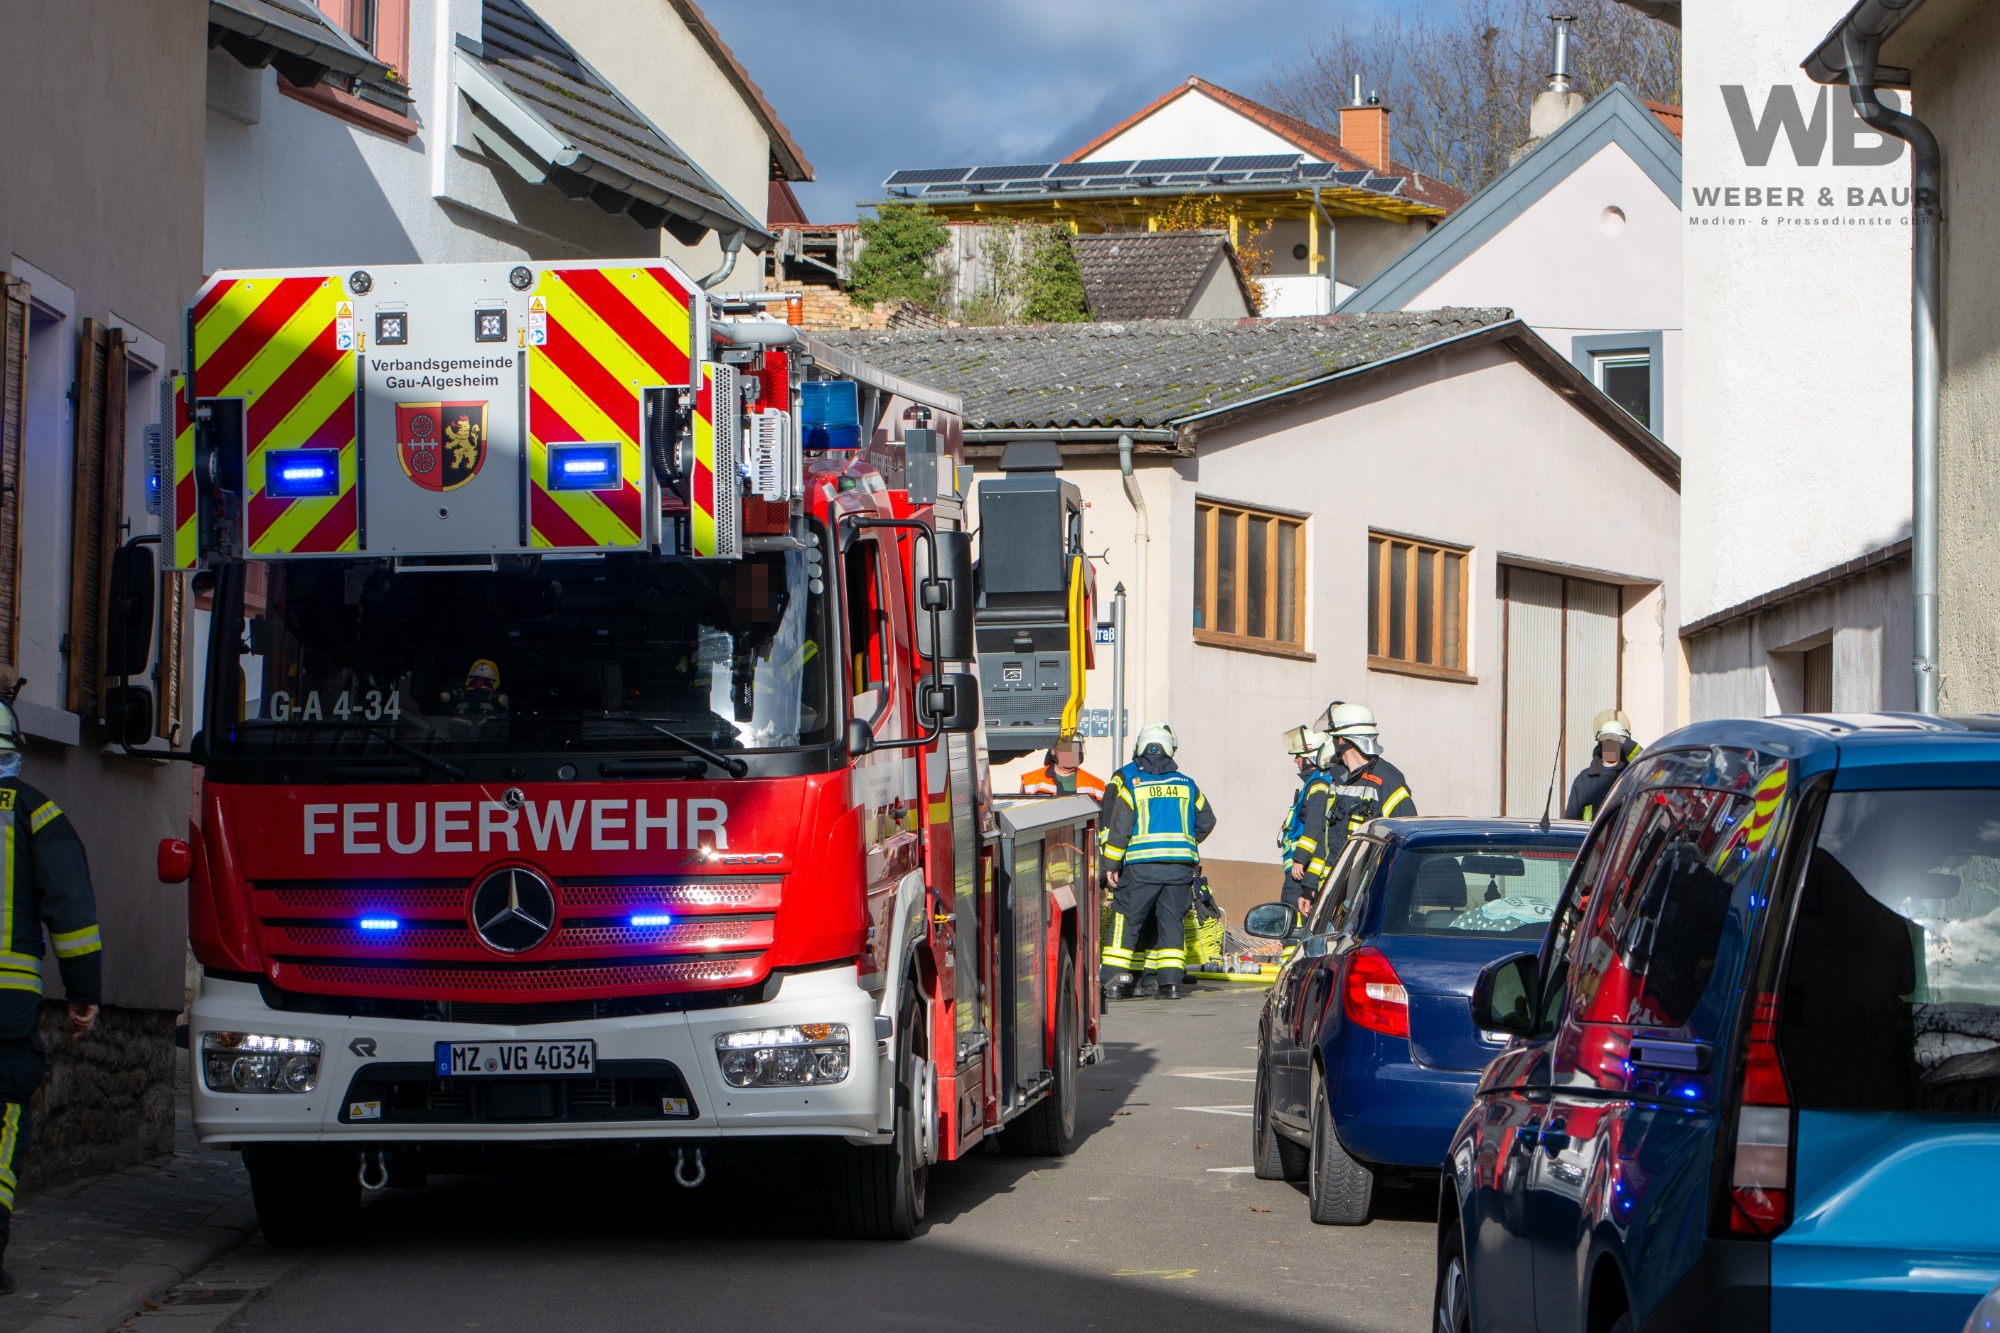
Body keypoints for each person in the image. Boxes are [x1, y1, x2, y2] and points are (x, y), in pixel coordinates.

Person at [0, 693, 100, 1293]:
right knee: (5, 1115)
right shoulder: (38, 814)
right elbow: (73, 915)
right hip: (6, 1005)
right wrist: (83, 993)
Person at [1099, 723, 1215, 1001]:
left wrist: (1110, 865)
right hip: (1180, 869)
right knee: (1171, 922)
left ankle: (1113, 982)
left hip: (1140, 869)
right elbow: (1207, 821)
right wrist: (1184, 841)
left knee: (1126, 921)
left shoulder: (1132, 786)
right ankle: (1170, 984)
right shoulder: (1187, 784)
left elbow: (1120, 830)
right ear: (1171, 749)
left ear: (1140, 748)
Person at [1289, 703, 1415, 914]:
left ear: (1342, 740)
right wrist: (1310, 887)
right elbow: (1324, 841)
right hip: (1332, 894)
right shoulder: (1338, 780)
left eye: (1333, 737)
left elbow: (1406, 840)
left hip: (1368, 899)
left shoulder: (1387, 780)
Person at [1276, 724, 1324, 915]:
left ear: (1310, 757)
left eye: (1298, 755)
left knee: (1292, 916)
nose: (1295, 760)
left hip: (1301, 870)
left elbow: (1314, 826)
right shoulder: (1313, 783)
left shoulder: (1318, 784)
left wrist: (1300, 859)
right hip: (1300, 868)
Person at [1564, 709, 1640, 822]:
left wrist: (1626, 743)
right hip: (1592, 833)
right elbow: (1571, 820)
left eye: (1616, 741)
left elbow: (1649, 763)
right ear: (1601, 743)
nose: (1611, 745)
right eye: (1607, 741)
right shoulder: (1584, 779)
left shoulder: (1631, 775)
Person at [1021, 736, 1107, 798]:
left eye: (1074, 748)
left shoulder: (1096, 785)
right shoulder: (1031, 781)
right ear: (1053, 751)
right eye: (1065, 748)